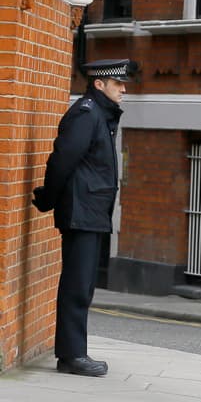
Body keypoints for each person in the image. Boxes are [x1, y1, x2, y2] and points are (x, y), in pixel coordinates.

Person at [31, 58, 136, 378]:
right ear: (99, 84)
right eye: (118, 84)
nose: (124, 89)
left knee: (84, 284)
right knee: (78, 285)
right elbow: (63, 158)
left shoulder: (97, 115)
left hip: (89, 211)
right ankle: (72, 355)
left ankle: (74, 351)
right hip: (81, 212)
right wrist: (49, 197)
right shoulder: (86, 114)